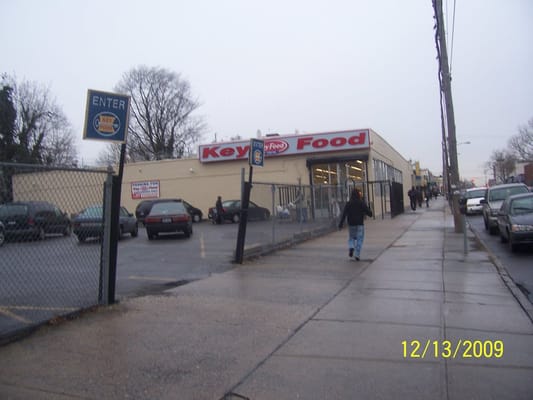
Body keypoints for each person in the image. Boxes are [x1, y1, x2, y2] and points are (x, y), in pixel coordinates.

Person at [338, 189, 373, 261]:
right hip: (359, 224)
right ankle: (357, 254)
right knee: (360, 239)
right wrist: (370, 213)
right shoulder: (361, 203)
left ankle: (351, 247)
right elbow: (368, 212)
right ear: (358, 195)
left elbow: (344, 214)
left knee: (351, 238)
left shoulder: (348, 203)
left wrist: (341, 223)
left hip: (351, 224)